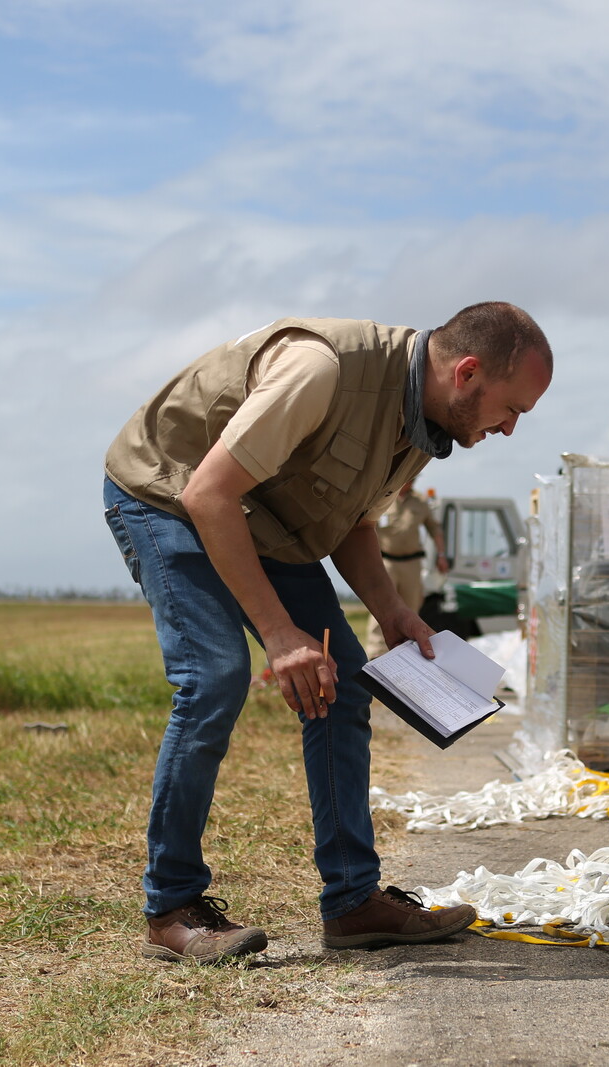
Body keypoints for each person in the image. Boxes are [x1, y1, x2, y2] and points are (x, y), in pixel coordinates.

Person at [101, 303, 552, 963]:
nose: (509, 428)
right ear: (468, 372)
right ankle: (171, 907)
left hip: (265, 516)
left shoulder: (421, 424)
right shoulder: (321, 370)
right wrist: (280, 634)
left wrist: (392, 609)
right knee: (215, 676)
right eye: (512, 409)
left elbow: (351, 521)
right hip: (167, 494)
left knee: (341, 681)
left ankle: (352, 902)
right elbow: (208, 495)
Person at [364, 482, 447, 660]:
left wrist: (441, 555)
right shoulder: (382, 496)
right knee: (381, 604)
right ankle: (377, 654)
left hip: (412, 562)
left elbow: (434, 529)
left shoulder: (421, 501)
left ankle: (408, 654)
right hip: (385, 561)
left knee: (411, 608)